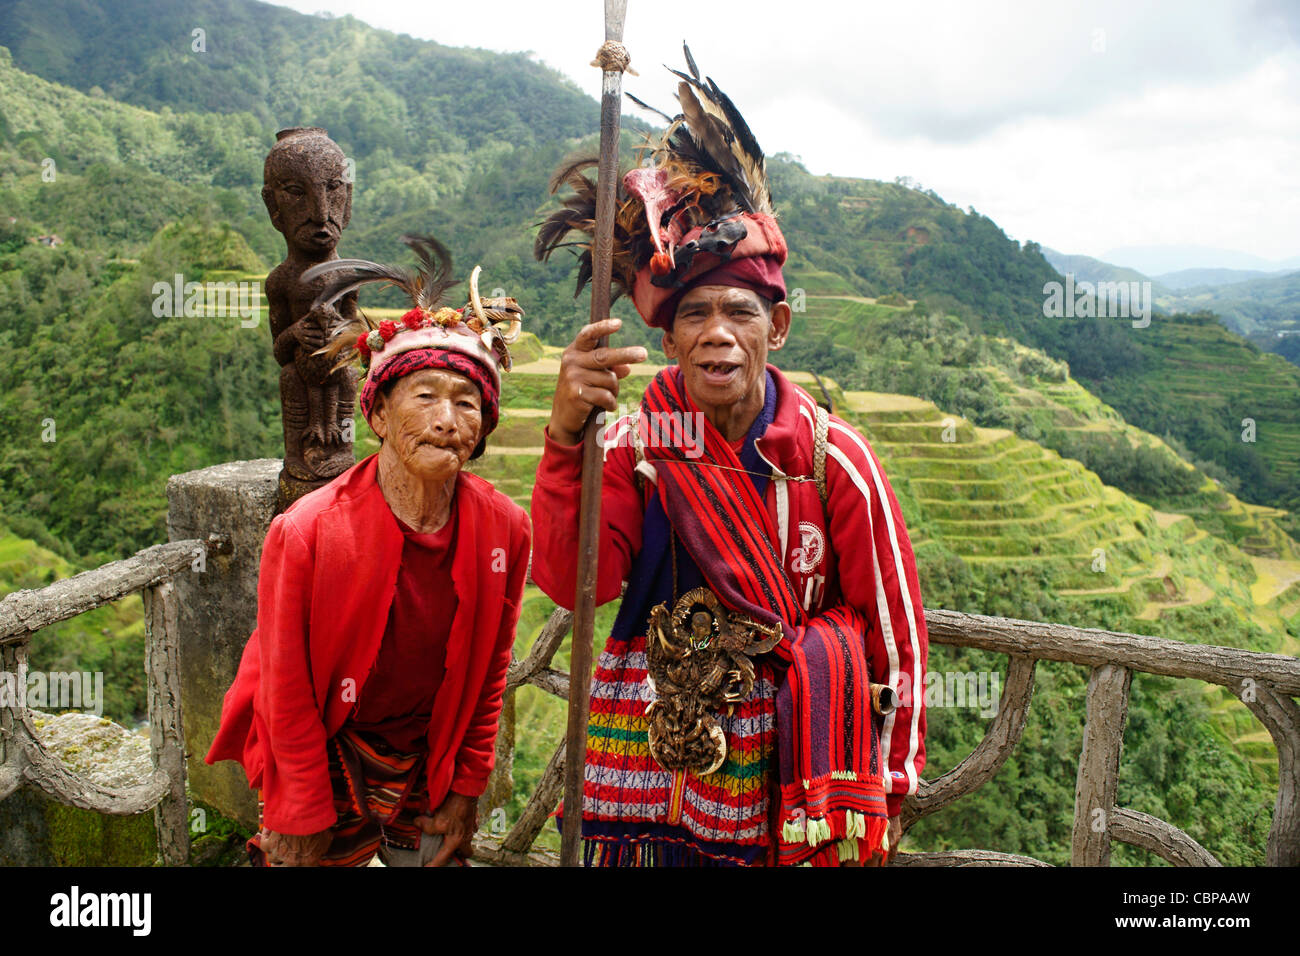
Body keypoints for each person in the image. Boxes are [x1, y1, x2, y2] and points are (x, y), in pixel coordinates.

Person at [532, 49, 928, 866]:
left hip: (786, 772)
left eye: (740, 312)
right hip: (647, 752)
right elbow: (580, 579)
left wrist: (887, 790)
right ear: (668, 337)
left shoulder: (833, 463)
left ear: (775, 328)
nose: (717, 331)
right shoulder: (636, 449)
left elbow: (896, 639)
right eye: (696, 314)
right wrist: (567, 438)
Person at [206, 236, 531, 867]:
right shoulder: (309, 531)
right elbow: (286, 684)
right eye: (424, 395)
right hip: (325, 739)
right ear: (378, 415)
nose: (447, 418)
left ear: (485, 428)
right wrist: (297, 809)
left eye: (466, 403)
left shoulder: (505, 530)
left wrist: (468, 787)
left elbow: (490, 669)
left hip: (427, 746)